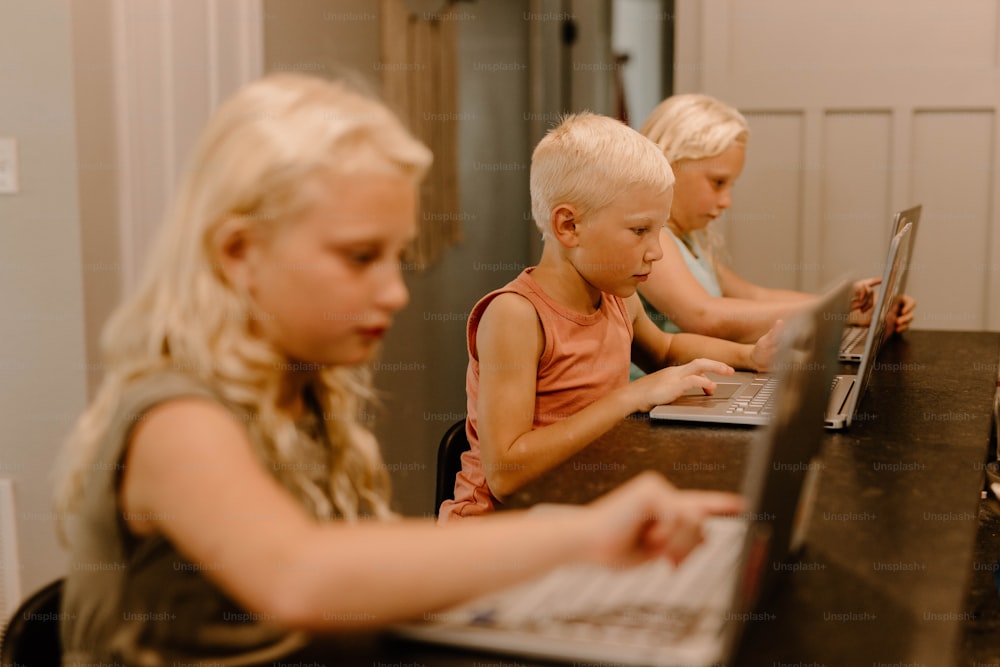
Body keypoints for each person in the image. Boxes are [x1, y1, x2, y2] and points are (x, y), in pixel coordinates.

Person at [52, 74, 744, 665]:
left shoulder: (304, 393)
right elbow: (300, 574)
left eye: (395, 256)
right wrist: (585, 537)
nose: (395, 291)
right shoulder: (178, 420)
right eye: (360, 257)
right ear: (238, 252)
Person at [438, 113, 780, 523]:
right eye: (639, 231)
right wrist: (630, 398)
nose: (655, 251)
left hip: (579, 511)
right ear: (569, 225)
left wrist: (750, 356)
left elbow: (668, 350)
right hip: (497, 532)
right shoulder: (516, 316)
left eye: (658, 231)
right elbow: (506, 475)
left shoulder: (617, 298)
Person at [634, 93, 916, 348]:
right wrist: (835, 311)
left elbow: (754, 296)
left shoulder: (688, 240)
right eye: (717, 182)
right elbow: (705, 316)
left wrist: (854, 309)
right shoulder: (651, 239)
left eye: (731, 186)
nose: (726, 201)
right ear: (669, 164)